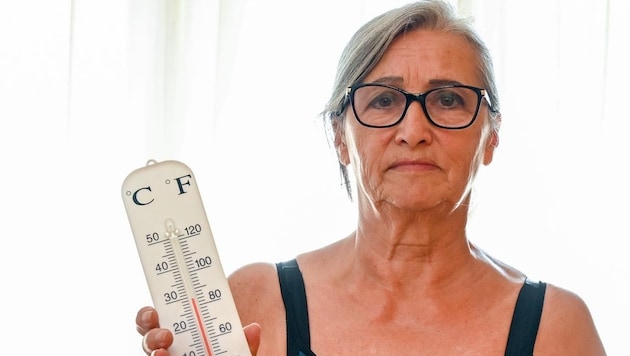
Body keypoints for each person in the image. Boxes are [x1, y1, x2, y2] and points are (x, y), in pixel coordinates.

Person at [136, 1, 606, 355]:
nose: (414, 131)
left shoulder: (556, 328)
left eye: (447, 100)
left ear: (491, 137)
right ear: (340, 136)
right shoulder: (256, 301)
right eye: (383, 101)